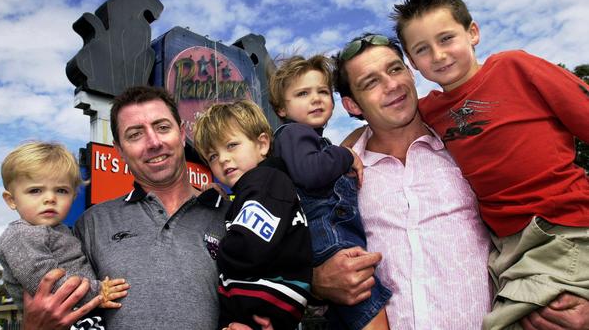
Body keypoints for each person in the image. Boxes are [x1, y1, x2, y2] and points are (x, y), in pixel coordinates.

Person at [392, 0, 589, 329]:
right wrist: (348, 155)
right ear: (412, 63)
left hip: (560, 227)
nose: (438, 55)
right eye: (422, 49)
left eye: (446, 38)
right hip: (502, 248)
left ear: (473, 33)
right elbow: (377, 133)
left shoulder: (514, 67)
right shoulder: (427, 113)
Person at [21, 86, 277, 329]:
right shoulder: (92, 223)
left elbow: (284, 288)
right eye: (135, 134)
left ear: (181, 132)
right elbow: (57, 308)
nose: (153, 142)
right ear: (120, 150)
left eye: (162, 127)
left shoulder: (235, 217)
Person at [325, 32, 493, 328]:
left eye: (395, 69)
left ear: (411, 72)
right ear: (352, 105)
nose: (392, 85)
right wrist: (318, 278)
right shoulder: (338, 178)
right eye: (371, 82)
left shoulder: (467, 143)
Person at [268, 55, 391, 330]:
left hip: (332, 244)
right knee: (373, 315)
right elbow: (309, 172)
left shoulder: (310, 140)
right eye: (302, 93)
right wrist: (345, 156)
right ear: (281, 108)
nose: (316, 99)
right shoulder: (293, 134)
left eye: (322, 91)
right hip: (331, 243)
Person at [193, 99, 313, 329]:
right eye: (213, 156)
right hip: (274, 302)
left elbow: (248, 248)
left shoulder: (265, 181)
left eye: (231, 145)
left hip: (264, 297)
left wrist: (217, 254)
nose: (223, 159)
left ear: (262, 145)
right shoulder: (261, 187)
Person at [0, 141, 129, 320]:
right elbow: (44, 281)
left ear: (73, 196)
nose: (50, 198)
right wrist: (98, 291)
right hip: (61, 319)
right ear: (11, 200)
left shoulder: (63, 230)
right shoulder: (20, 235)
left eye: (61, 190)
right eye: (35, 190)